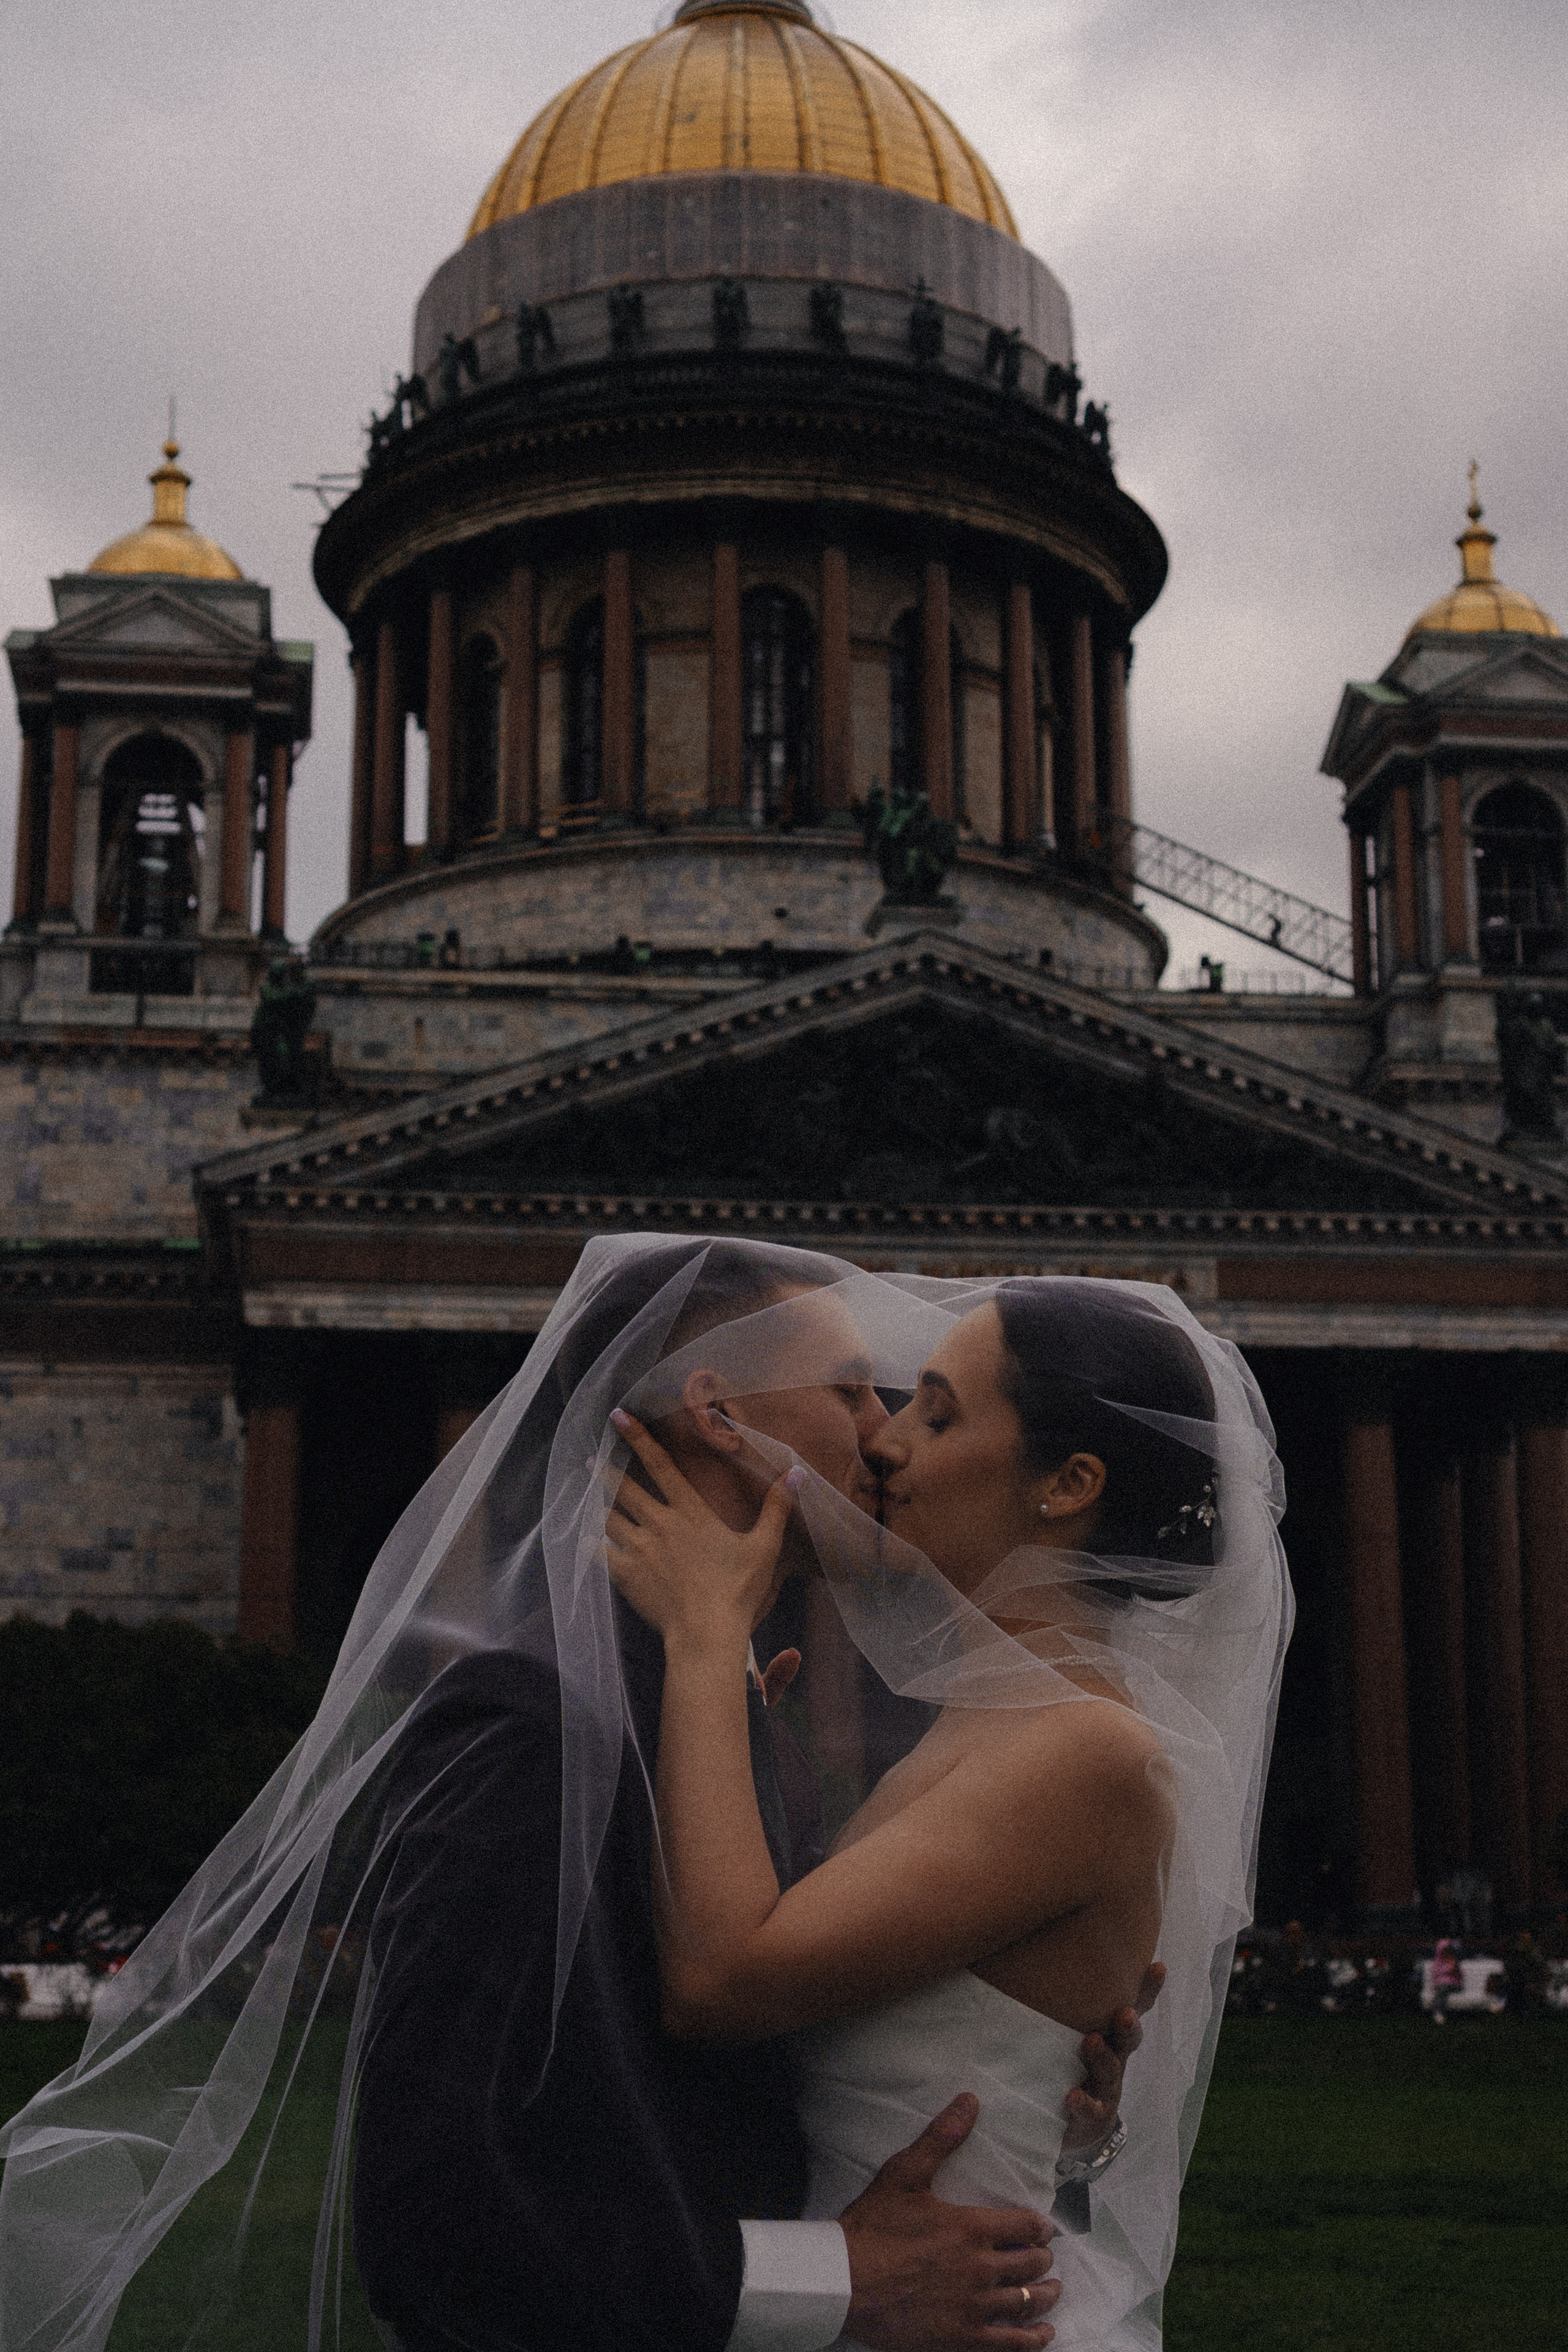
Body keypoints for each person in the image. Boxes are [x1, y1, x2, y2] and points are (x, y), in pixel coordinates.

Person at [0, 1240, 1153, 2352]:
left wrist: (1031, 2071)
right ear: (721, 1415)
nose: (885, 1440)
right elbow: (436, 2227)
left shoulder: (728, 1709)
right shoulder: (530, 1723)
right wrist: (834, 2280)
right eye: (854, 1392)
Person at [607, 1276, 1291, 2348]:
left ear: (1066, 1485)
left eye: (937, 1412)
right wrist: (1077, 2127)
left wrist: (702, 1635)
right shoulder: (987, 1730)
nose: (884, 1446)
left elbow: (720, 1978)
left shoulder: (1085, 1751)